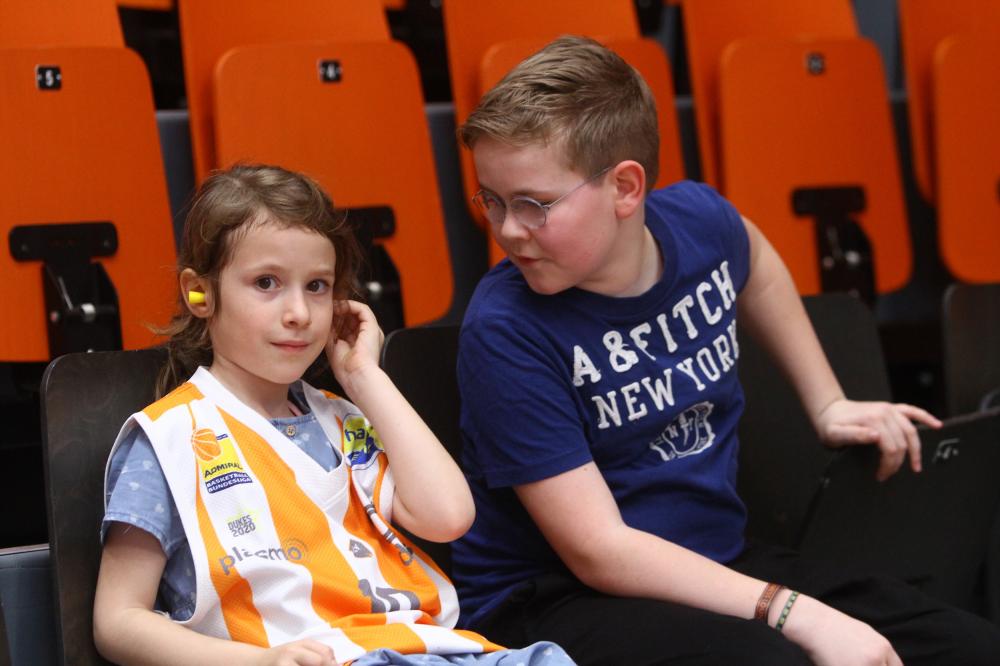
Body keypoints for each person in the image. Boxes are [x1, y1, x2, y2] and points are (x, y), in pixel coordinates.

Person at [452, 36, 1000, 666]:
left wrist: (828, 403)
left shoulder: (702, 222)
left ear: (625, 188)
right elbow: (598, 549)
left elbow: (756, 260)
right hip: (553, 598)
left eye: (533, 205)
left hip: (714, 561)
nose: (507, 229)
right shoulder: (505, 330)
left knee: (966, 646)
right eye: (492, 200)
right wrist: (795, 613)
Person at [93, 164, 575, 666]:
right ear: (200, 293)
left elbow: (448, 516)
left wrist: (364, 376)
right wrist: (259, 662)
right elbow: (117, 620)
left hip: (426, 650)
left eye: (317, 286)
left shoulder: (341, 418)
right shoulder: (168, 437)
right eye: (266, 282)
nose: (299, 313)